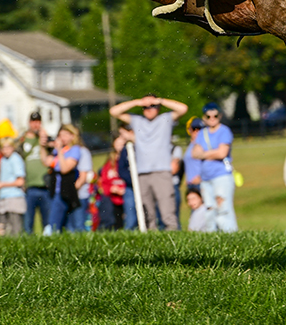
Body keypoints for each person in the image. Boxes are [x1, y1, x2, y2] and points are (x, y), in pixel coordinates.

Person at [109, 94, 189, 231]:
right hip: (142, 173)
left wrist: (160, 100)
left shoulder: (165, 119)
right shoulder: (137, 121)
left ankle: (173, 237)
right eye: (146, 107)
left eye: (152, 106)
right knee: (147, 214)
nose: (149, 109)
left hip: (161, 171)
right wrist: (136, 102)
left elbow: (183, 108)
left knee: (167, 211)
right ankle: (152, 239)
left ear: (158, 107)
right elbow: (114, 111)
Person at [192, 103, 237, 232]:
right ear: (204, 117)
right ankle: (212, 236)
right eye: (209, 116)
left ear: (220, 116)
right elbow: (195, 153)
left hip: (221, 175)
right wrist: (213, 153)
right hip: (206, 178)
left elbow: (222, 153)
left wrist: (204, 154)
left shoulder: (224, 131)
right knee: (210, 208)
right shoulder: (202, 133)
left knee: (223, 207)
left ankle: (230, 236)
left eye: (215, 115)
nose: (212, 118)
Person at [46, 124, 92, 234]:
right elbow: (47, 162)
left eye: (65, 135)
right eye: (60, 135)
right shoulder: (63, 150)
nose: (62, 138)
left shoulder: (81, 151)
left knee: (78, 226)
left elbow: (81, 176)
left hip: (78, 194)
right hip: (67, 194)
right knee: (68, 227)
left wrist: (72, 190)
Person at [17, 111, 52, 235]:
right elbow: (18, 156)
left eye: (38, 122)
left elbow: (53, 150)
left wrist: (45, 140)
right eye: (33, 122)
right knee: (28, 222)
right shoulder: (22, 139)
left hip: (45, 185)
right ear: (29, 123)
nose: (36, 125)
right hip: (29, 186)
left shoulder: (46, 138)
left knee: (47, 222)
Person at [0, 137, 26, 237]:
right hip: (4, 196)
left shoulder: (15, 159)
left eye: (8, 147)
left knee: (15, 229)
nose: (6, 150)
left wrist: (1, 184)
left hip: (14, 197)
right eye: (3, 147)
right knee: (2, 228)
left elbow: (20, 181)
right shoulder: (3, 160)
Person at [96, 138, 127, 231]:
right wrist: (111, 189)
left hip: (125, 196)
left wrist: (123, 189)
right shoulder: (109, 164)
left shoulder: (129, 161)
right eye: (117, 144)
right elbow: (103, 182)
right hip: (111, 197)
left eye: (122, 144)